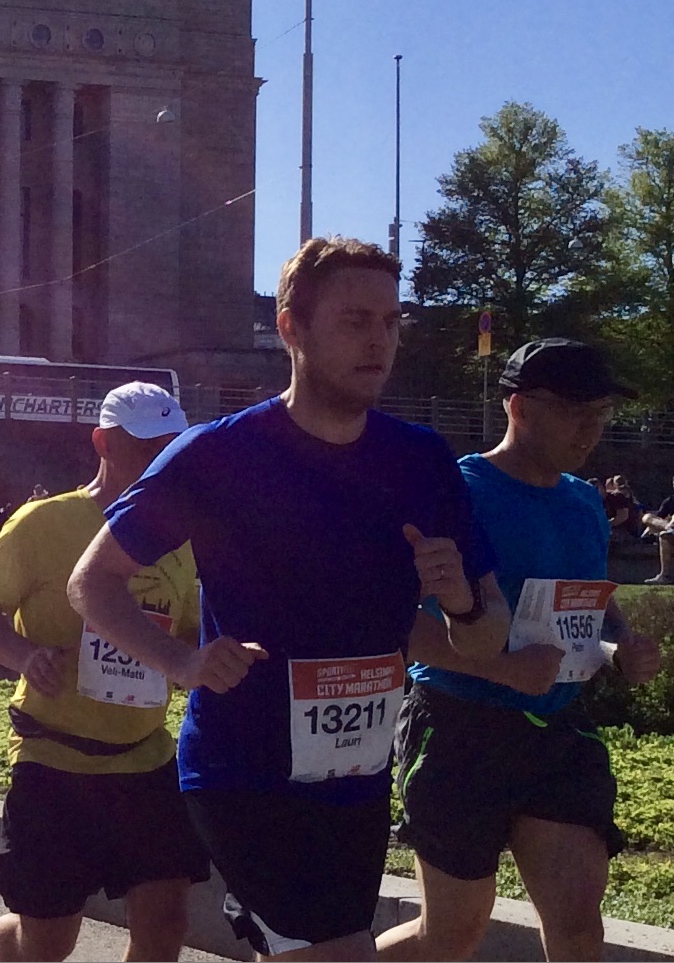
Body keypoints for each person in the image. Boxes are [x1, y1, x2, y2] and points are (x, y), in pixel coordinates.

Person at [69, 238, 510, 962]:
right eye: (355, 320)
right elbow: (92, 580)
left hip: (357, 772)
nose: (379, 341)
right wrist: (180, 661)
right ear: (291, 328)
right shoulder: (219, 454)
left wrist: (462, 602)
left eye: (391, 322)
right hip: (244, 771)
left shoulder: (422, 460)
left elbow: (488, 637)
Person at [377, 339, 664, 962]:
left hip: (556, 732)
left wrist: (621, 647)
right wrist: (504, 669)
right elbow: (395, 623)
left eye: (601, 412)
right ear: (519, 406)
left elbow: (592, 603)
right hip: (458, 727)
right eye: (573, 410)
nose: (590, 429)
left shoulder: (584, 502)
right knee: (451, 934)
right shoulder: (456, 491)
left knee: (578, 925)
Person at [0, 383, 203, 963]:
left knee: (165, 923)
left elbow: (188, 630)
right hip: (55, 758)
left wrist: (197, 657)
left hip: (145, 758)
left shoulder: (179, 536)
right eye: (146, 445)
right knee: (47, 942)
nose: (162, 457)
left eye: (172, 444)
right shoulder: (46, 521)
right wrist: (24, 655)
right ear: (103, 443)